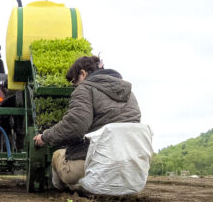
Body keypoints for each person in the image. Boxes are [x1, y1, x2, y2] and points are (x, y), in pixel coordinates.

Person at [33, 55, 140, 190]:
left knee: (57, 155)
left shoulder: (85, 89)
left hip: (97, 168)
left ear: (83, 74)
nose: (74, 86)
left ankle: (70, 192)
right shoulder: (129, 93)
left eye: (73, 81)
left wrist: (45, 136)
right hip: (130, 168)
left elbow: (75, 126)